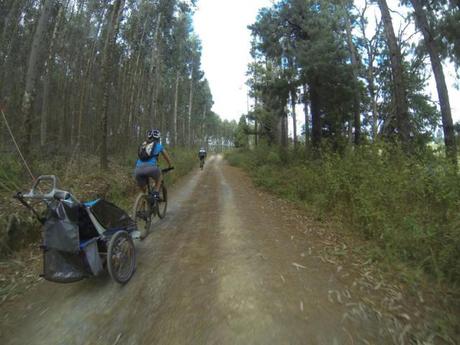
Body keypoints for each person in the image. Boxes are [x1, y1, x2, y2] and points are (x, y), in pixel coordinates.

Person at [134, 129, 172, 199]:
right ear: (158, 138)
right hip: (151, 168)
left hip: (137, 170)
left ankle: (143, 202)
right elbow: (166, 157)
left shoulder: (143, 145)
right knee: (160, 176)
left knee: (143, 191)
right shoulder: (158, 145)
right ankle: (156, 193)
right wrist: (170, 165)